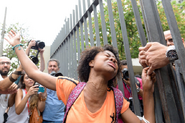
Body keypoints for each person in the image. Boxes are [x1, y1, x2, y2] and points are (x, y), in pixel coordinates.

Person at [5, 30, 156, 123]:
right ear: (91, 62)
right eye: (107, 56)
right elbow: (34, 73)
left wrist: (148, 91)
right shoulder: (71, 87)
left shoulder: (117, 98)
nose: (113, 60)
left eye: (115, 60)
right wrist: (17, 46)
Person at [6, 40, 46, 123]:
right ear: (23, 81)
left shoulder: (36, 92)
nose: (30, 79)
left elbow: (41, 71)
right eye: (27, 78)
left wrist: (43, 96)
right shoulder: (19, 91)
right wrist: (28, 47)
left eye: (32, 78)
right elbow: (18, 111)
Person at [0, 56, 22, 123]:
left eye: (8, 63)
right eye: (2, 63)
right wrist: (21, 67)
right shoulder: (9, 81)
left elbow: (9, 104)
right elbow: (2, 86)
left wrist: (13, 92)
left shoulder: (10, 82)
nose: (5, 65)